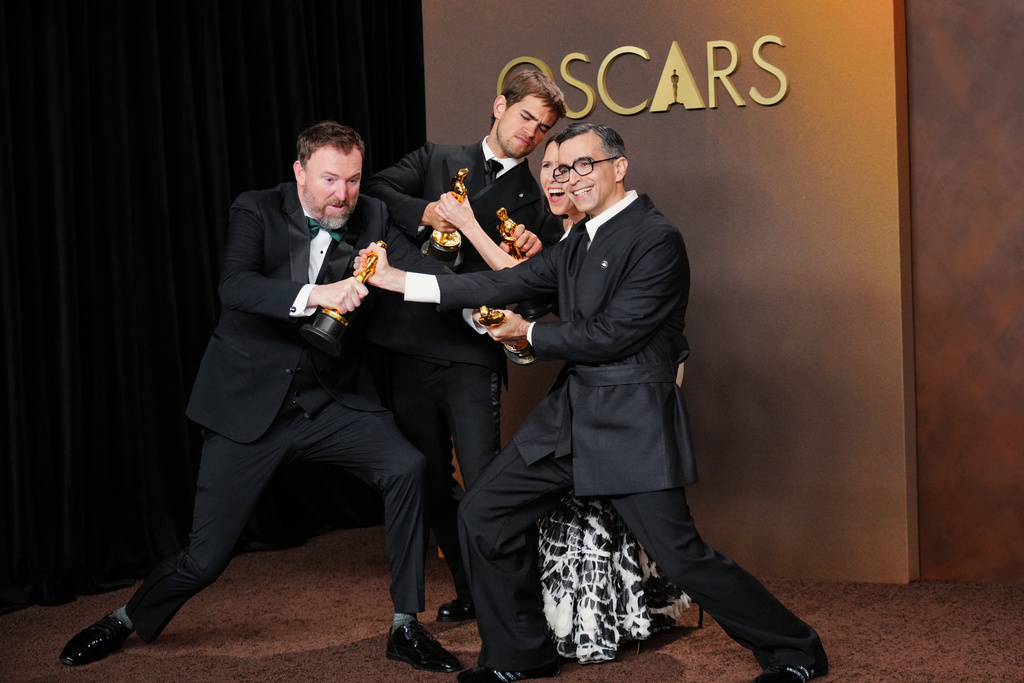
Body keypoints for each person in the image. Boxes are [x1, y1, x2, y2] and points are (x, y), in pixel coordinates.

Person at [356, 122, 829, 683]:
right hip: (570, 418)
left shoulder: (656, 238)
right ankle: (516, 657)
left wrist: (528, 336)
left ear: (618, 167)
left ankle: (796, 650)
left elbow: (612, 335)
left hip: (631, 422)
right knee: (483, 513)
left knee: (681, 558)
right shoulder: (577, 240)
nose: (569, 177)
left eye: (584, 165)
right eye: (560, 168)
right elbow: (497, 285)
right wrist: (397, 280)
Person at [58, 122, 461, 675]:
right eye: (328, 179)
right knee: (204, 560)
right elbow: (236, 287)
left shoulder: (370, 213)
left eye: (352, 178)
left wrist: (480, 280)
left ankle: (404, 626)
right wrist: (318, 293)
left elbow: (416, 268)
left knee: (407, 466)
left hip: (328, 400)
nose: (342, 194)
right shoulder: (256, 209)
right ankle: (124, 619)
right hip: (249, 406)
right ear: (298, 172)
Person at [361, 69, 566, 623]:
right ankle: (473, 589)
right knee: (428, 480)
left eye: (542, 129)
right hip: (409, 343)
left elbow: (537, 286)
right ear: (499, 105)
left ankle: (515, 603)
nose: (531, 134)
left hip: (471, 353)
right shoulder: (435, 158)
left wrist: (532, 246)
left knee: (487, 481)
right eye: (526, 117)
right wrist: (427, 212)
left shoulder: (536, 202)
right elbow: (376, 189)